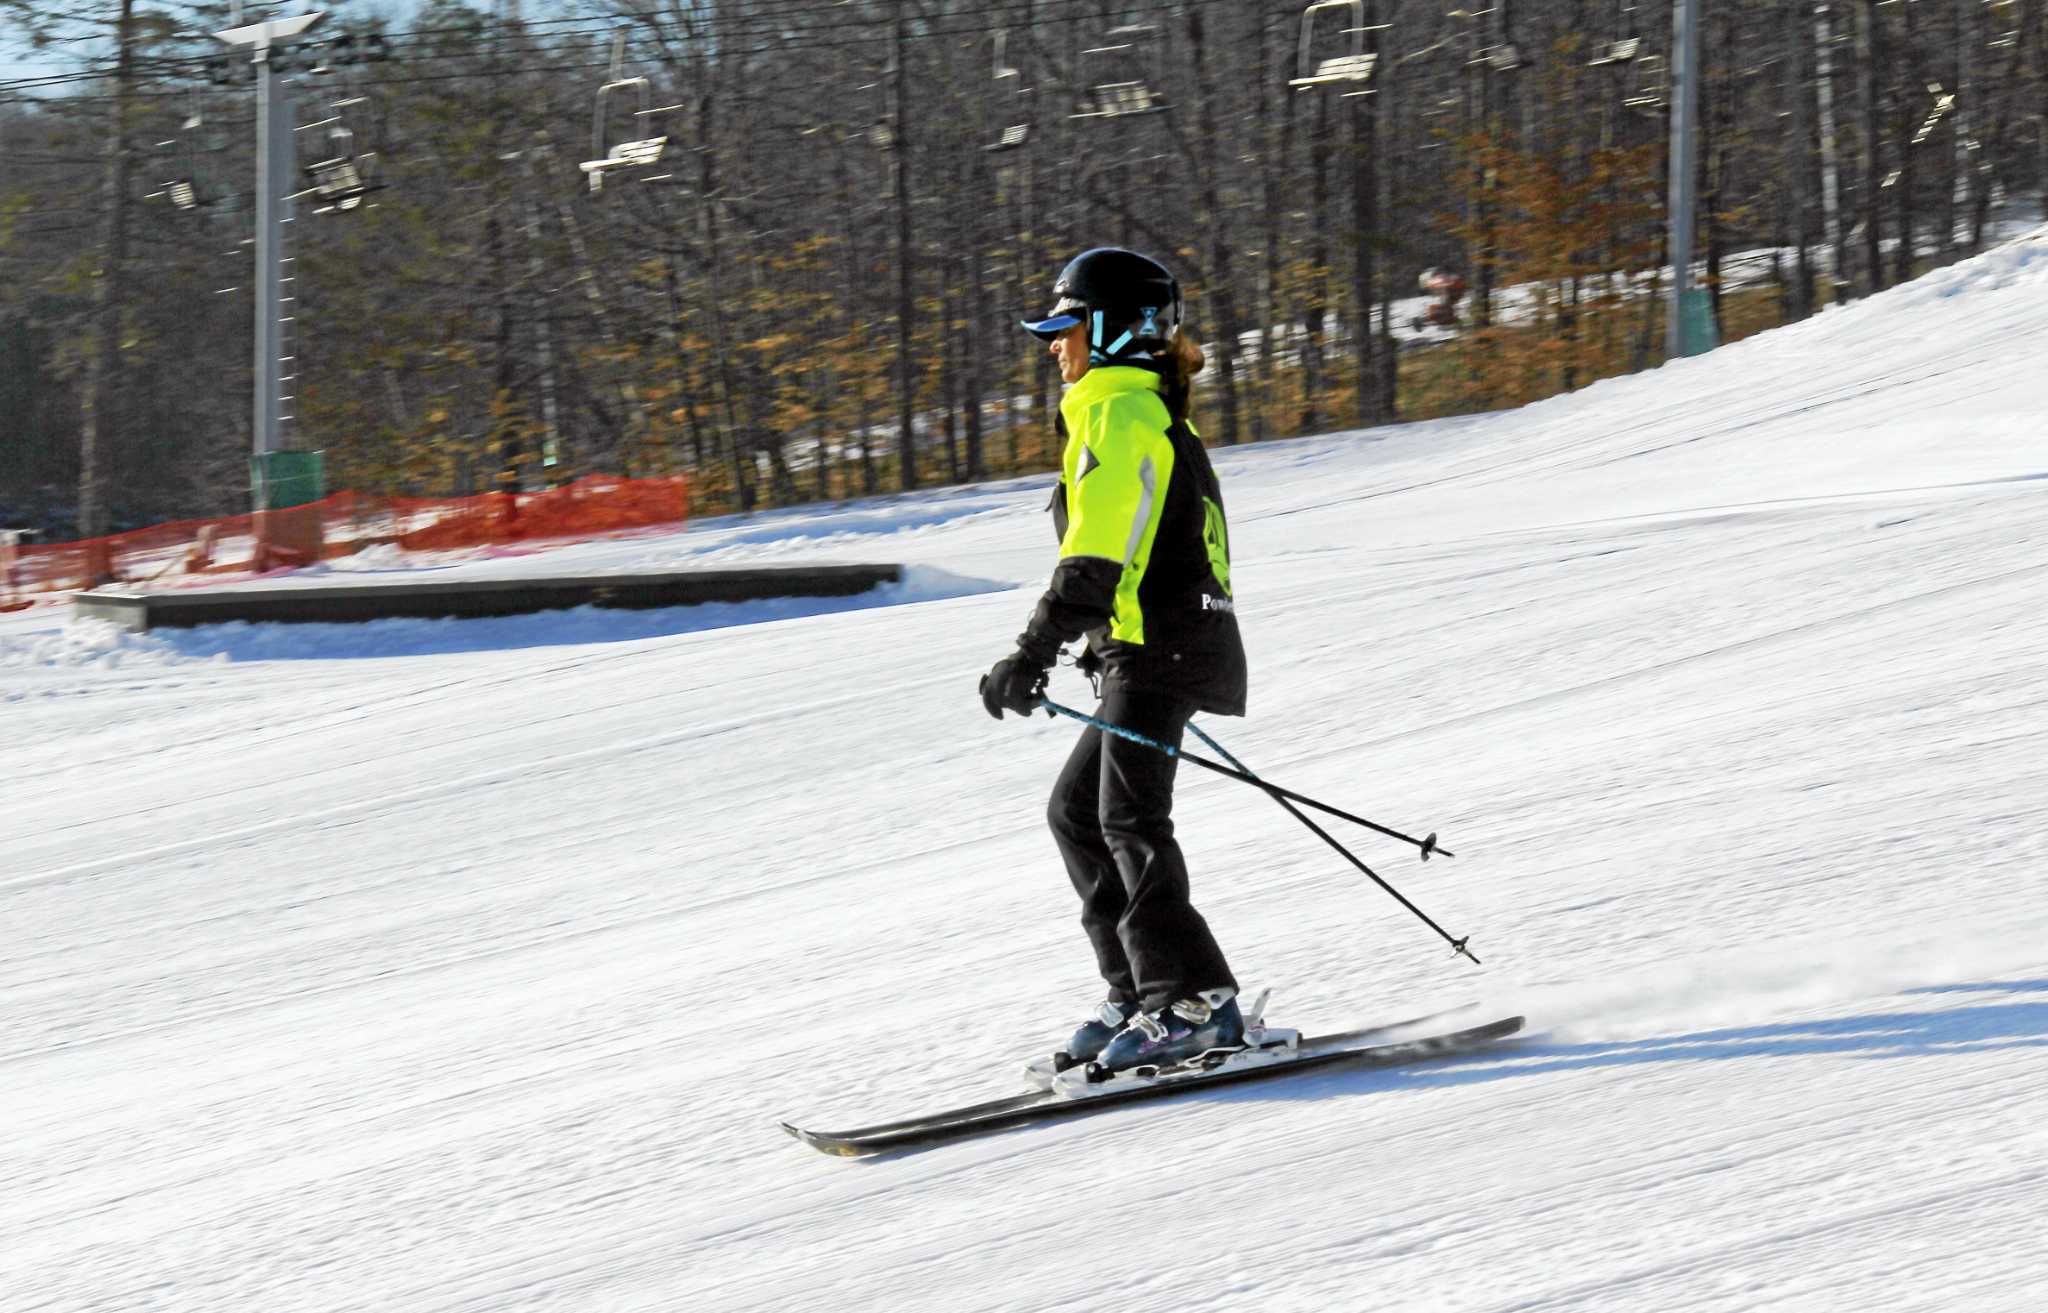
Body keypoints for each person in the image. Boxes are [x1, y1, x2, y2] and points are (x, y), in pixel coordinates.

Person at [980, 247, 1250, 1078]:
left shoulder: (1123, 414)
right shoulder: (1129, 408)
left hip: (1163, 646)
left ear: (1111, 331)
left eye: (1065, 329)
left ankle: (1195, 1000)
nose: (1052, 346)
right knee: (1077, 812)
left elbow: (1095, 554)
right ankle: (1141, 991)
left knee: (1128, 818)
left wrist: (1034, 649)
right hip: (1150, 644)